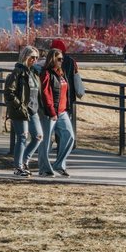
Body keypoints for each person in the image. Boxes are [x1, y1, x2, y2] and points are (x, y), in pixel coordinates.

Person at [4, 46, 43, 177]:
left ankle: (24, 161)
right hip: (21, 111)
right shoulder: (17, 72)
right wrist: (19, 105)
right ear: (25, 57)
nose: (35, 60)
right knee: (22, 137)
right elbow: (9, 92)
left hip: (33, 110)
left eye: (37, 57)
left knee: (38, 136)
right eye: (32, 57)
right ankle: (18, 167)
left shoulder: (33, 73)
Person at [38, 48, 75, 177]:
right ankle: (44, 169)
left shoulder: (61, 73)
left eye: (62, 59)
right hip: (50, 112)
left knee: (69, 136)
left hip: (62, 111)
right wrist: (52, 111)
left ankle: (59, 165)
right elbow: (46, 94)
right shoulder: (46, 73)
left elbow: (66, 92)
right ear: (52, 59)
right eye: (59, 59)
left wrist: (66, 107)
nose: (61, 61)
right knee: (46, 141)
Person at [49, 39, 83, 116]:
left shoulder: (53, 60)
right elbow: (75, 73)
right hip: (69, 95)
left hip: (56, 96)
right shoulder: (71, 61)